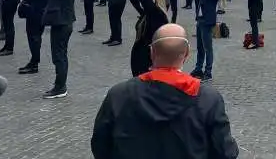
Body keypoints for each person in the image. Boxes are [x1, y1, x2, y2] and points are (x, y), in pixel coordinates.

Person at [91, 24, 239, 159]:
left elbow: (100, 145)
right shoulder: (208, 99)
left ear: (152, 53)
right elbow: (225, 153)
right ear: (186, 54)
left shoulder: (119, 95)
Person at [29, 0, 77, 98]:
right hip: (63, 23)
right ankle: (60, 85)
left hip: (61, 24)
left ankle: (60, 87)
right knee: (61, 55)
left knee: (59, 57)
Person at [129, 0, 169, 77]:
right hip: (140, 60)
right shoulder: (146, 13)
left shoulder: (158, 15)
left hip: (148, 61)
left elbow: (145, 0)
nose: (142, 3)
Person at [13, 0, 50, 75]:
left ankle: (34, 63)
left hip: (34, 16)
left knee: (33, 39)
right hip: (41, 15)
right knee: (36, 38)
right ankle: (34, 61)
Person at [191, 0, 220, 82]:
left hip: (207, 21)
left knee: (208, 48)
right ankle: (198, 68)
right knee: (199, 47)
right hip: (200, 19)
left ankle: (208, 72)